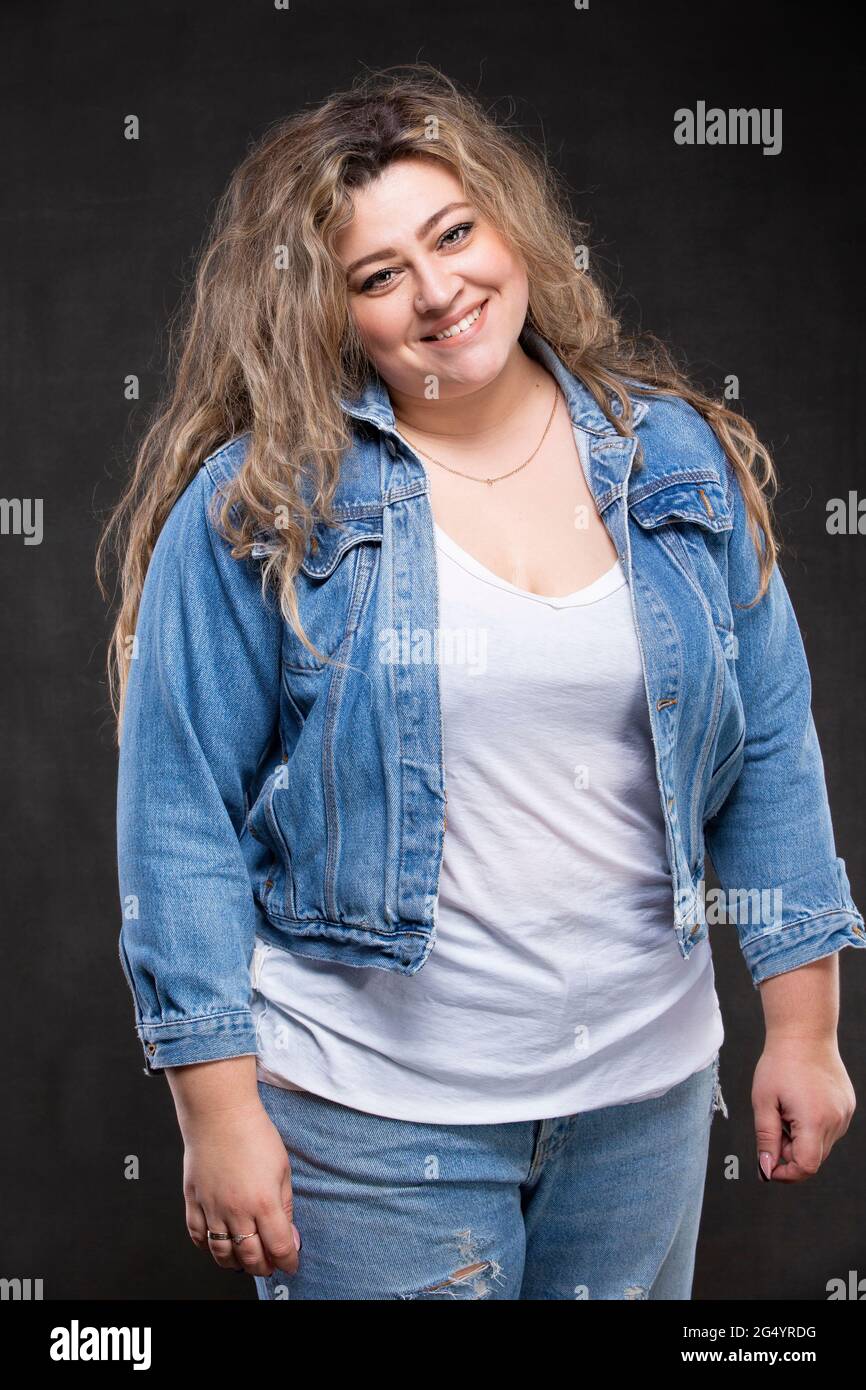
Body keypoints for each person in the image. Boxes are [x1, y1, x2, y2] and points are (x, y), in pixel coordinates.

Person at [99, 64, 864, 1301]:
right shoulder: (264, 503)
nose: (438, 288)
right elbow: (176, 809)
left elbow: (767, 741)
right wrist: (216, 1107)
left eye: (453, 233)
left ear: (510, 227)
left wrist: (803, 1025)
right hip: (368, 1120)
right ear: (330, 312)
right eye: (377, 273)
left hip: (641, 1102)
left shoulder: (670, 457)